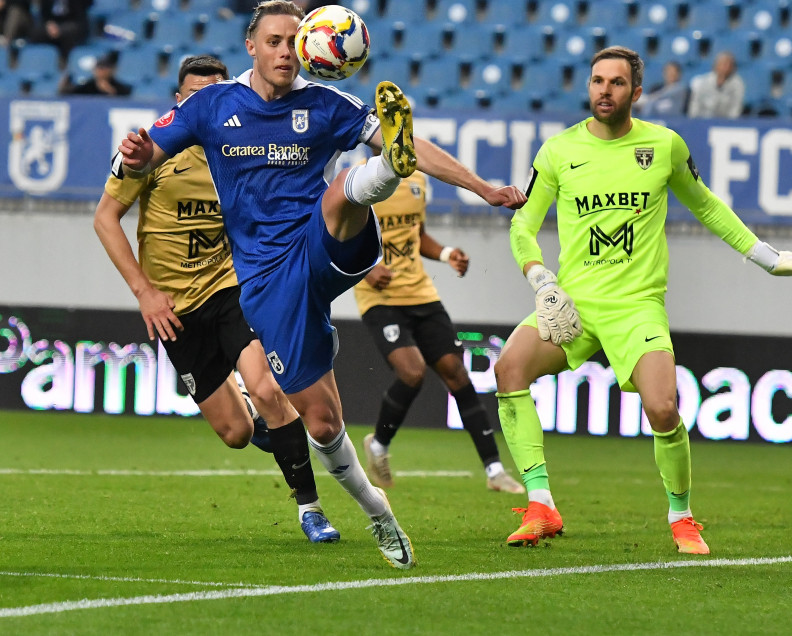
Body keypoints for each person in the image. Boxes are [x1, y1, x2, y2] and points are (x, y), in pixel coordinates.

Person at [117, 0, 526, 569]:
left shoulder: (327, 105)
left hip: (322, 244)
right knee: (323, 421)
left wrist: (482, 188)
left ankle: (384, 170)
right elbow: (142, 159)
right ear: (252, 48)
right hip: (263, 280)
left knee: (343, 191)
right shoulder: (212, 105)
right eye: (276, 41)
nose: (286, 51)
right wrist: (136, 159)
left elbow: (418, 145)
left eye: (294, 41)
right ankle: (379, 513)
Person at [493, 45, 792, 553]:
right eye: (597, 81)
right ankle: (541, 505)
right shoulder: (558, 151)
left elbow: (709, 207)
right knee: (508, 369)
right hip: (574, 304)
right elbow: (523, 224)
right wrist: (541, 278)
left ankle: (682, 516)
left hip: (636, 307)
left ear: (637, 92)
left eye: (616, 83)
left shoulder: (665, 145)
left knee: (663, 407)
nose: (604, 90)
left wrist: (767, 257)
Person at [95, 54, 342, 544]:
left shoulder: (245, 149)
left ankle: (311, 510)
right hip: (172, 308)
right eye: (193, 97)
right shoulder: (151, 154)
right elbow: (105, 220)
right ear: (180, 104)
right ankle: (257, 416)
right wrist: (145, 293)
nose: (204, 104)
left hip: (231, 287)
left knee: (271, 390)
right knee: (236, 433)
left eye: (214, 94)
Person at [353, 162, 525, 495]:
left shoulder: (416, 179)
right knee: (413, 371)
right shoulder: (358, 180)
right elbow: (337, 235)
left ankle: (494, 470)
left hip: (421, 293)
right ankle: (379, 446)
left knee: (456, 373)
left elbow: (415, 236)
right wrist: (366, 269)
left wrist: (446, 253)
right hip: (380, 297)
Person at [687, 51, 744, 119]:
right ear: (716, 65)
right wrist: (693, 120)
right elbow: (695, 105)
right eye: (723, 64)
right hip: (703, 120)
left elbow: (736, 108)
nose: (725, 67)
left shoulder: (737, 84)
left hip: (725, 123)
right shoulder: (702, 82)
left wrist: (730, 123)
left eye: (729, 64)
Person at [60, 51, 132, 96]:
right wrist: (63, 88)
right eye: (98, 67)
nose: (100, 70)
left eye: (104, 67)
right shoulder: (87, 87)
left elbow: (125, 105)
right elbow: (69, 97)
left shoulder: (120, 88)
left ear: (112, 69)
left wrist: (110, 92)